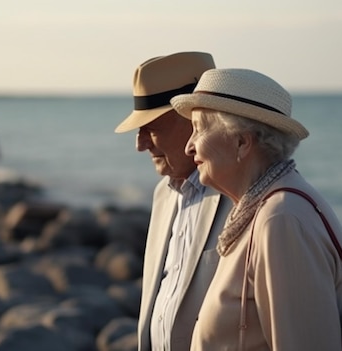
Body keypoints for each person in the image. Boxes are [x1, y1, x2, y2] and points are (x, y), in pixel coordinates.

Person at [170, 68, 342, 350]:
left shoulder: (281, 219)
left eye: (199, 128)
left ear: (242, 142)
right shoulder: (261, 209)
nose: (189, 146)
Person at [114, 52, 233, 351]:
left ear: (195, 121)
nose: (140, 145)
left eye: (151, 129)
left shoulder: (242, 197)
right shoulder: (163, 194)